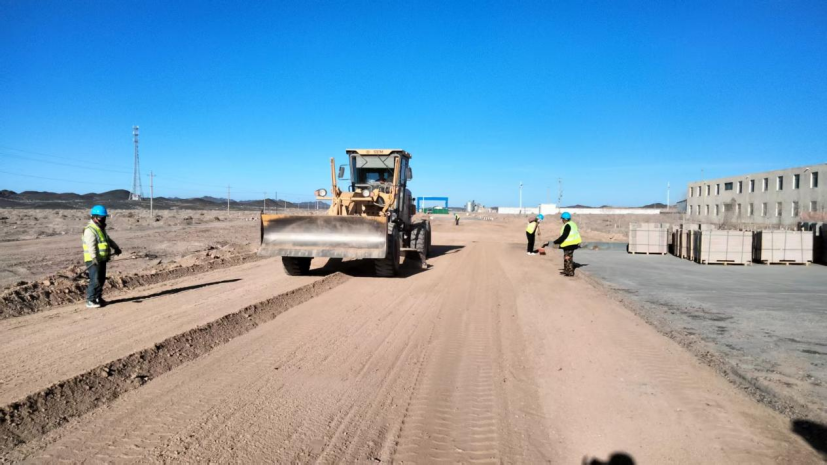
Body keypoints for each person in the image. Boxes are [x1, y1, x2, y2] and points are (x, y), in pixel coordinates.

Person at [82, 205, 122, 308]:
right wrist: (94, 257)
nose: (103, 219)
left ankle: (98, 298)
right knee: (95, 280)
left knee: (101, 279)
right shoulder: (90, 230)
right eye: (101, 217)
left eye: (104, 217)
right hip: (93, 260)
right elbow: (91, 245)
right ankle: (90, 300)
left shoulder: (100, 229)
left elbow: (108, 240)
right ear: (94, 217)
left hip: (102, 259)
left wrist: (116, 247)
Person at [550, 211, 581, 276]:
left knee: (568, 258)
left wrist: (556, 241)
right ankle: (566, 270)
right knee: (567, 257)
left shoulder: (567, 225)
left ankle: (570, 272)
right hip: (573, 243)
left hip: (569, 244)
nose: (562, 220)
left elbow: (564, 236)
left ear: (565, 219)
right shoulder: (572, 224)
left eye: (562, 219)